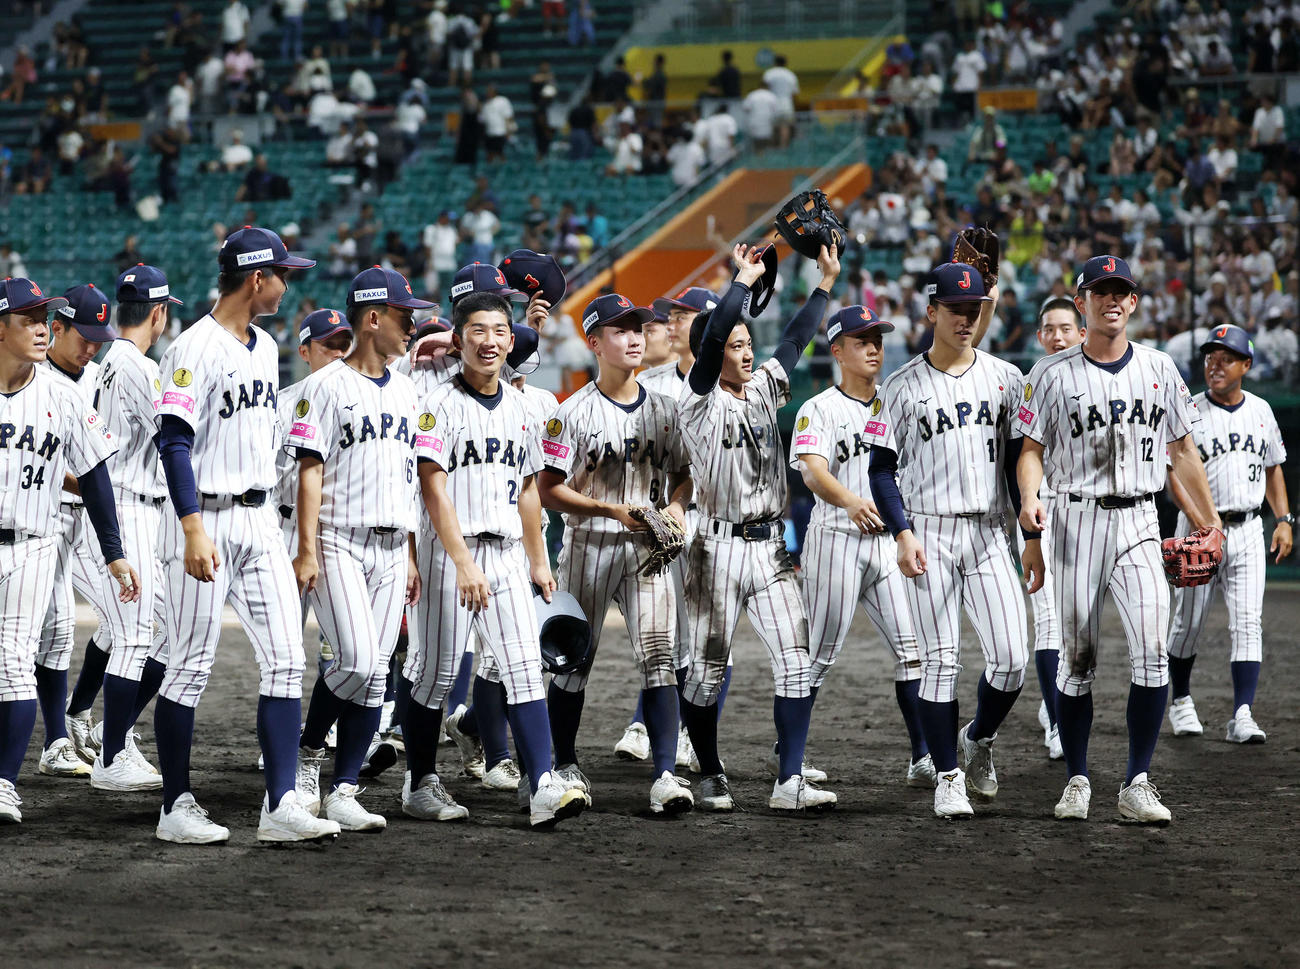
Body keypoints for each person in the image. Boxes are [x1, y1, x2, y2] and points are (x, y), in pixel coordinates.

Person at [1016, 255, 1222, 825]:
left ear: (1133, 302)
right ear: (1081, 302)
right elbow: (1030, 451)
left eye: (1120, 291)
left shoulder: (1160, 368)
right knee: (1077, 658)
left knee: (1152, 652)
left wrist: (1211, 522)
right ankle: (1077, 778)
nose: (1111, 300)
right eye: (1099, 291)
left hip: (1138, 521)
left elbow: (1183, 451)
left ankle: (1137, 782)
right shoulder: (1049, 374)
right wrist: (1030, 498)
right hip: (1075, 521)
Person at [152, 226, 339, 844]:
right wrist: (191, 527)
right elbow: (173, 443)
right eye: (284, 274)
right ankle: (175, 807)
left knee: (287, 659)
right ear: (257, 278)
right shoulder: (192, 348)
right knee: (189, 665)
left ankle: (281, 805)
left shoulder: (265, 346)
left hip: (259, 520)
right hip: (204, 517)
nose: (288, 285)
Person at [405, 290, 587, 828]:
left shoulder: (524, 408)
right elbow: (432, 489)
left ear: (511, 341)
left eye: (499, 331)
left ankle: (543, 786)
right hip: (449, 554)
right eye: (477, 331)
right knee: (435, 675)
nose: (489, 341)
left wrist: (538, 560)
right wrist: (463, 562)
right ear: (458, 340)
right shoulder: (436, 405)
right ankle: (419, 783)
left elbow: (528, 490)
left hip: (507, 552)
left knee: (525, 669)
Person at [676, 242, 840, 814]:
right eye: (736, 345)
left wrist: (825, 283)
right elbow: (714, 333)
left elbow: (794, 339)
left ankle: (788, 780)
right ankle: (709, 772)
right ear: (712, 352)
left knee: (796, 663)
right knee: (704, 675)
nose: (746, 352)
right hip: (714, 548)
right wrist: (742, 281)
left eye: (748, 343)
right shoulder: (696, 400)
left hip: (770, 548)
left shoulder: (766, 386)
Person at [868, 263, 1028, 819]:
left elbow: (1017, 462)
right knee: (940, 660)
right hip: (929, 529)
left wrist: (1028, 530)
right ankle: (947, 776)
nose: (966, 318)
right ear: (931, 311)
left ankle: (978, 738)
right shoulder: (898, 386)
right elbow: (881, 470)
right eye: (956, 309)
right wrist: (902, 532)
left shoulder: (1007, 378)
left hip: (989, 530)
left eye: (975, 309)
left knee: (1012, 659)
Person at [538, 294, 695, 814]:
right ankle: (564, 764)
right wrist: (610, 510)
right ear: (594, 342)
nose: (634, 338)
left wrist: (676, 506)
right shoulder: (571, 413)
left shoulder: (666, 410)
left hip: (648, 547)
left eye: (638, 329)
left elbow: (683, 475)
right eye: (620, 330)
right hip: (590, 545)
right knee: (572, 662)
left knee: (660, 659)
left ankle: (666, 774)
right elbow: (548, 490)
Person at [287, 268, 431, 832]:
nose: (412, 326)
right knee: (358, 662)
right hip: (339, 539)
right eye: (404, 315)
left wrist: (412, 554)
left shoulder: (407, 389)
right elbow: (309, 471)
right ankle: (306, 754)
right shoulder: (325, 387)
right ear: (373, 318)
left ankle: (344, 789)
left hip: (393, 546)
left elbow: (410, 480)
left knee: (374, 677)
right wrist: (306, 549)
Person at [0, 277, 139, 825]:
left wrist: (114, 551)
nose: (41, 329)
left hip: (37, 541)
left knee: (17, 661)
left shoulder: (67, 395)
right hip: (32, 529)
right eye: (30, 320)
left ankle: (9, 779)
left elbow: (97, 475)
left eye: (44, 320)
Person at [792, 306, 932, 787]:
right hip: (836, 539)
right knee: (819, 656)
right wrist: (851, 501)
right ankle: (789, 754)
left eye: (877, 340)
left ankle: (922, 756)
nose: (873, 349)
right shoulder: (819, 408)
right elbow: (812, 471)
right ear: (837, 351)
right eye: (861, 341)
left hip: (887, 544)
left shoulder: (895, 404)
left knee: (913, 651)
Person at [1165, 324, 1291, 744]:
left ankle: (1242, 714)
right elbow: (1173, 477)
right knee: (1187, 624)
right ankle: (1181, 700)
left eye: (1226, 359)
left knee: (1249, 623)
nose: (1215, 366)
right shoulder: (1189, 410)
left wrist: (1285, 520)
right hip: (1200, 531)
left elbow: (1273, 468)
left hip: (1249, 529)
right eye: (1210, 358)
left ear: (1246, 365)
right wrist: (1200, 521)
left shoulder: (1261, 410)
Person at [87, 268, 186, 792]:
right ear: (159, 313)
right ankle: (110, 758)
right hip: (129, 506)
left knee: (168, 631)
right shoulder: (138, 367)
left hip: (135, 505)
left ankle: (115, 734)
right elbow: (174, 437)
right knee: (135, 635)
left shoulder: (111, 361)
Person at [1019, 295, 1086, 763]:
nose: (1058, 336)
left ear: (1081, 333)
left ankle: (1057, 704)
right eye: (1050, 329)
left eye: (1066, 328)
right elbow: (1022, 455)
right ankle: (1058, 720)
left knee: (1076, 625)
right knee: (1046, 620)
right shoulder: (1030, 383)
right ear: (1040, 336)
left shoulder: (1104, 378)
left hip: (1089, 515)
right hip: (1043, 510)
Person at [762, 55, 799, 147]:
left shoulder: (769, 74)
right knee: (785, 128)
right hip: (786, 105)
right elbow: (794, 94)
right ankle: (783, 147)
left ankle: (774, 148)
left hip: (771, 104)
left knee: (772, 128)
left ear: (775, 63)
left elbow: (764, 90)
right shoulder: (790, 75)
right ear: (785, 63)